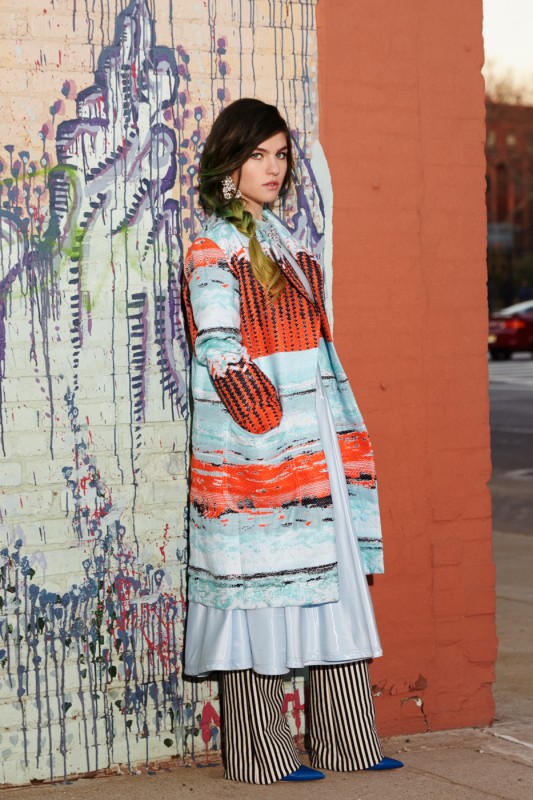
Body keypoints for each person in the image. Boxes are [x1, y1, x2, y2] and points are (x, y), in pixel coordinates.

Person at [181, 98, 403, 784]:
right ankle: (259, 753)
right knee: (257, 594)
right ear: (228, 165)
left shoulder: (285, 243)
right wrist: (262, 422)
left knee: (332, 580)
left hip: (317, 444)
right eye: (257, 155)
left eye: (279, 154)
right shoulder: (213, 247)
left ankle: (345, 742)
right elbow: (219, 348)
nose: (272, 167)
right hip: (257, 455)